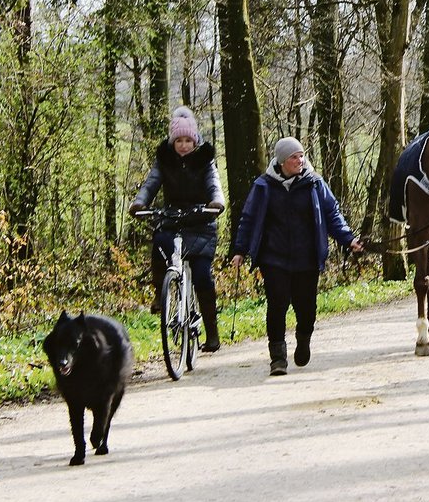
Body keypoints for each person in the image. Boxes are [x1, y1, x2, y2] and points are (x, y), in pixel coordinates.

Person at [231, 137, 363, 376]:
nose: (299, 160)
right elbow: (248, 218)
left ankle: (303, 341)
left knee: (306, 308)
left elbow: (332, 213)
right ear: (282, 161)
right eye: (294, 157)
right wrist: (240, 250)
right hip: (274, 258)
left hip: (307, 257)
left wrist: (349, 239)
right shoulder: (263, 185)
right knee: (277, 305)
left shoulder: (314, 183)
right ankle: (278, 358)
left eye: (301, 155)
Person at [129, 106, 226, 352]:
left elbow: (214, 184)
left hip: (201, 219)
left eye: (188, 140)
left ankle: (212, 333)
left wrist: (216, 203)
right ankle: (160, 294)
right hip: (172, 216)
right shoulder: (164, 161)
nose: (183, 145)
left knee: (202, 274)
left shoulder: (205, 160)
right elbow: (151, 183)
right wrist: (140, 202)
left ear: (195, 141)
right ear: (172, 142)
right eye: (179, 141)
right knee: (160, 243)